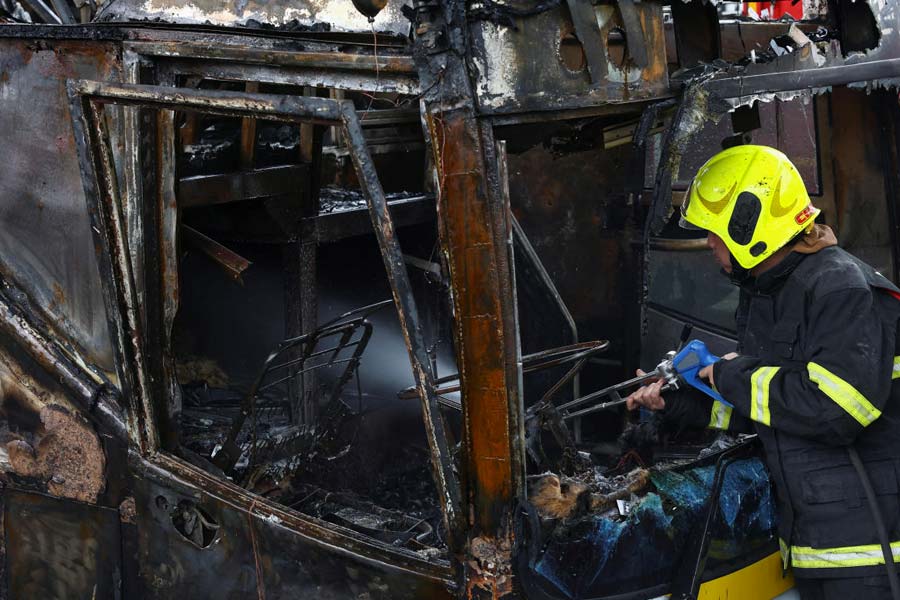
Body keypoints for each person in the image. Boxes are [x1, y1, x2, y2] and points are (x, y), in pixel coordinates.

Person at [627, 145, 900, 600]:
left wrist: (728, 374)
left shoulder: (842, 290)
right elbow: (776, 412)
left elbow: (838, 410)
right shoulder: (769, 294)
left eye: (715, 233)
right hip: (814, 545)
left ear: (749, 225)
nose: (710, 244)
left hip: (872, 555)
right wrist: (681, 404)